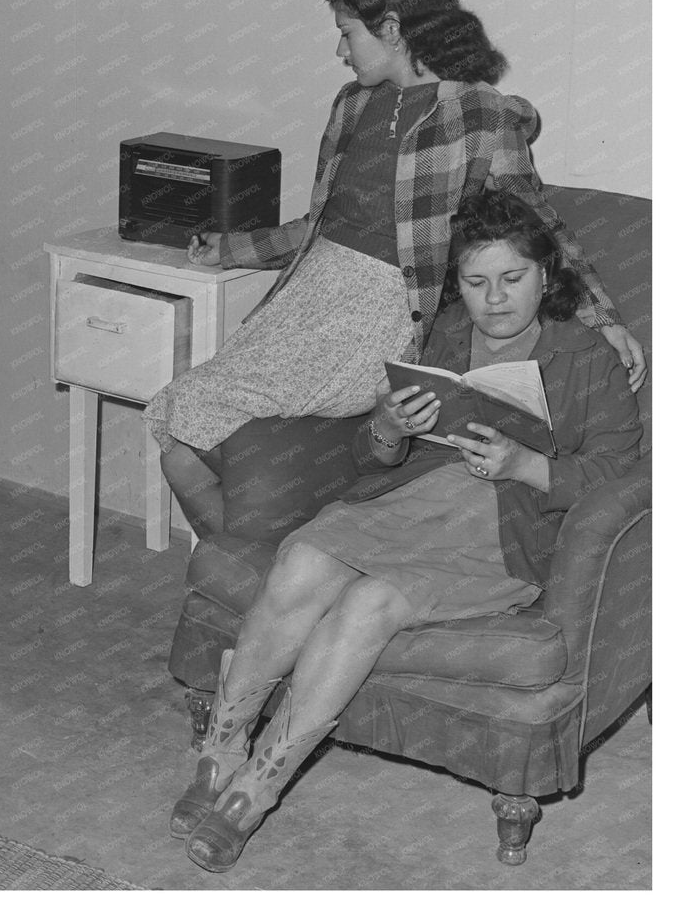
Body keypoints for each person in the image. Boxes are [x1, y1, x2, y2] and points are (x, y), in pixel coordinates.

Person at [170, 190, 643, 872]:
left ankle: (255, 789)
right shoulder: (446, 331)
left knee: (372, 602)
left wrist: (529, 465)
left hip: (501, 532)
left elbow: (619, 476)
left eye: (513, 279)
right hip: (411, 501)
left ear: (546, 276)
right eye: (478, 283)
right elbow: (375, 456)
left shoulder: (588, 357)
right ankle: (221, 749)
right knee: (302, 557)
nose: (496, 299)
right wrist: (388, 427)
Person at [145, 0, 645, 515]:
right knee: (176, 442)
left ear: (391, 27)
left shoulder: (479, 114)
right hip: (310, 295)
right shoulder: (351, 106)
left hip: (380, 310)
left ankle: (305, 523)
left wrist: (604, 319)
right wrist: (231, 247)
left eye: (347, 33)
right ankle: (265, 546)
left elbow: (540, 228)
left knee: (191, 403)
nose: (340, 50)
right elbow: (318, 227)